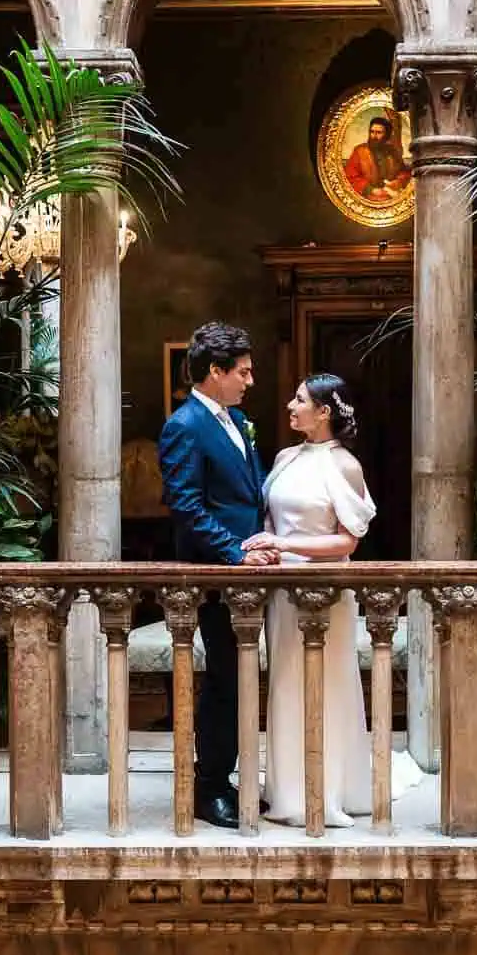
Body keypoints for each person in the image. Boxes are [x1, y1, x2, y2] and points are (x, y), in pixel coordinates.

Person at [243, 373, 424, 826]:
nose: (290, 404)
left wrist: (286, 546)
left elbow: (347, 542)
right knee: (284, 679)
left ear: (324, 412)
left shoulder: (345, 466)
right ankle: (285, 787)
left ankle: (330, 787)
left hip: (324, 591)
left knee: (325, 680)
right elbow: (269, 517)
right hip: (282, 592)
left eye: (299, 399)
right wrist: (268, 546)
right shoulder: (285, 457)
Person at [156, 321, 279, 830]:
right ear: (215, 371)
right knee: (225, 680)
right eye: (243, 372)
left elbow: (247, 494)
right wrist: (234, 554)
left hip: (248, 574)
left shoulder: (237, 420)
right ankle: (208, 789)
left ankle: (224, 777)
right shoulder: (184, 425)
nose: (250, 381)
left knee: (240, 677)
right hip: (215, 577)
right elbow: (187, 505)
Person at [343, 114, 411, 203]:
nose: (374, 136)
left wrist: (397, 182)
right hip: (367, 199)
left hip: (391, 197)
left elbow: (404, 172)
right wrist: (370, 189)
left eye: (379, 132)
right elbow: (350, 177)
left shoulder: (392, 151)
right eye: (372, 132)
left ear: (386, 135)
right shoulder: (359, 151)